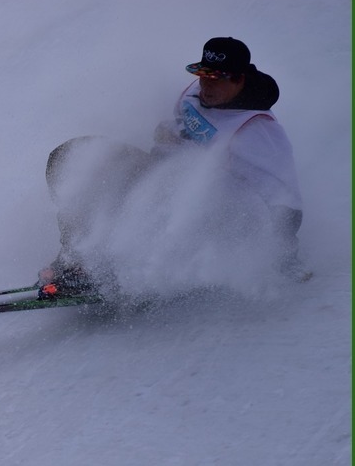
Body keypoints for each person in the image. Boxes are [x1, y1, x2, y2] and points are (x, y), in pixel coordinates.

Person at [39, 37, 309, 299]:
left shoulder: (256, 131)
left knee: (165, 203)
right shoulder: (194, 94)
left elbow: (284, 198)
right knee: (75, 159)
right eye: (203, 75)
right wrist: (165, 137)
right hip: (163, 178)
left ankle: (109, 267)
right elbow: (176, 130)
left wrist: (282, 256)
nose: (205, 85)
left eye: (216, 79)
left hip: (210, 213)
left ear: (239, 79)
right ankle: (76, 257)